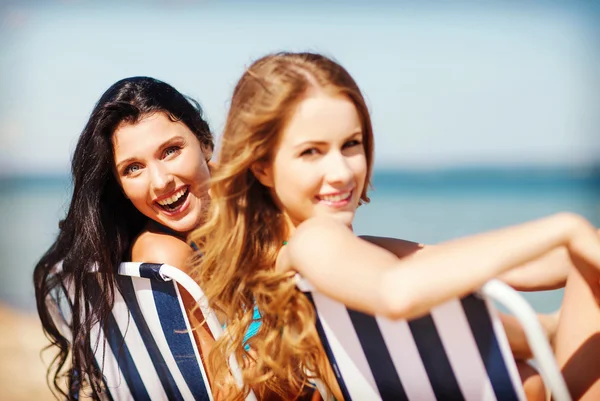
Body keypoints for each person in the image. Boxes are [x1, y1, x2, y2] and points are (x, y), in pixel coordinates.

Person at [190, 52, 600, 401]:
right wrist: (565, 228)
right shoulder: (315, 241)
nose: (341, 172)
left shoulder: (310, 255)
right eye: (311, 152)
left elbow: (491, 266)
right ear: (262, 166)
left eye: (351, 145)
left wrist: (580, 248)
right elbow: (397, 292)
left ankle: (548, 328)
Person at [33, 76, 215, 399]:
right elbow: (223, 386)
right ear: (119, 186)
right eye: (133, 168)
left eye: (171, 151)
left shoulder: (245, 215)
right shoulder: (163, 255)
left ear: (205, 141)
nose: (161, 182)